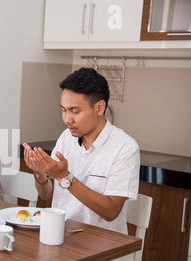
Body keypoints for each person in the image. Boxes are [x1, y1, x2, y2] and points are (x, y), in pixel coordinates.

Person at [23, 67, 140, 235]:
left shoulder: (125, 148)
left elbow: (111, 212)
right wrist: (40, 174)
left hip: (101, 246)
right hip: (60, 235)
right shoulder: (66, 137)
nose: (66, 119)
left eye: (74, 111)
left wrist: (64, 176)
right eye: (63, 110)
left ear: (99, 108)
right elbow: (46, 194)